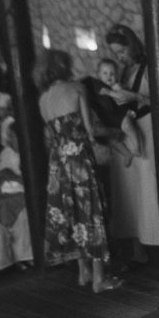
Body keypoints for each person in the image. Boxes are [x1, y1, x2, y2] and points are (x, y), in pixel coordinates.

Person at [34, 49, 122, 293]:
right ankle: (99, 279)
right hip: (80, 158)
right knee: (90, 212)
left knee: (70, 212)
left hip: (58, 162)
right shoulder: (77, 89)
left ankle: (82, 272)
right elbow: (92, 130)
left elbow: (50, 136)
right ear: (65, 66)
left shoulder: (43, 99)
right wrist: (116, 132)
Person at [104, 24, 159, 266]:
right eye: (116, 53)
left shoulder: (149, 69)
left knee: (148, 187)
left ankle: (155, 240)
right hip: (125, 131)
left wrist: (134, 97)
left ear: (132, 46)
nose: (120, 57)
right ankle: (135, 245)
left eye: (122, 52)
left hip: (146, 127)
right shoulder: (121, 72)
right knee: (128, 189)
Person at [81, 58, 142, 167]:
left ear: (117, 76)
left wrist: (118, 90)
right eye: (105, 73)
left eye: (112, 73)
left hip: (120, 115)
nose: (109, 76)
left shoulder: (117, 86)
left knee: (128, 127)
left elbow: (125, 96)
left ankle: (136, 146)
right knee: (112, 139)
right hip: (107, 119)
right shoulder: (98, 85)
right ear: (99, 75)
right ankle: (126, 153)